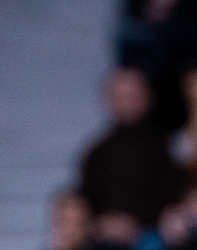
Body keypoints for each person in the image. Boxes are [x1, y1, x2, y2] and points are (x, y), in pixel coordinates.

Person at [78, 68, 184, 234]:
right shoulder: (96, 153)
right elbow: (87, 198)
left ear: (147, 97)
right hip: (105, 234)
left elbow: (174, 194)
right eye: (120, 97)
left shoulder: (167, 146)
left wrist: (136, 223)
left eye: (131, 96)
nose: (126, 103)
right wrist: (103, 222)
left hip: (154, 232)